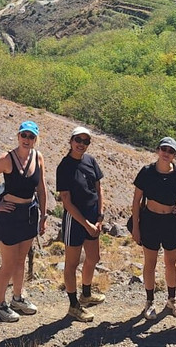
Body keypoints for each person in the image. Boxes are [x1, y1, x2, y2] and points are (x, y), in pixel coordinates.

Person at [0, 120, 48, 323]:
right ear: (18, 136)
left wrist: (43, 216)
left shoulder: (38, 157)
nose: (27, 139)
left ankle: (17, 298)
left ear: (36, 139)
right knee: (7, 264)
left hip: (29, 213)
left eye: (31, 136)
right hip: (9, 214)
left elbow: (41, 189)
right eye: (24, 135)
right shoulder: (6, 160)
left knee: (21, 260)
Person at [131, 136, 176, 320]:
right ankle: (149, 302)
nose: (166, 154)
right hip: (150, 220)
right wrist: (135, 227)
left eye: (171, 151)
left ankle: (172, 299)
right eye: (164, 149)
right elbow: (136, 201)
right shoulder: (147, 172)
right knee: (150, 263)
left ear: (175, 155)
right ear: (158, 150)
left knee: (171, 263)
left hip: (171, 221)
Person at [56, 126, 106, 322]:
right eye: (78, 140)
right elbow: (66, 201)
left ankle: (86, 294)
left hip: (93, 216)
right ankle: (73, 305)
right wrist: (86, 224)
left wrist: (100, 216)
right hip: (74, 219)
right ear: (71, 140)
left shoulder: (90, 161)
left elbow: (99, 189)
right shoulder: (64, 166)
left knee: (93, 257)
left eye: (86, 141)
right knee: (72, 263)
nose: (81, 144)